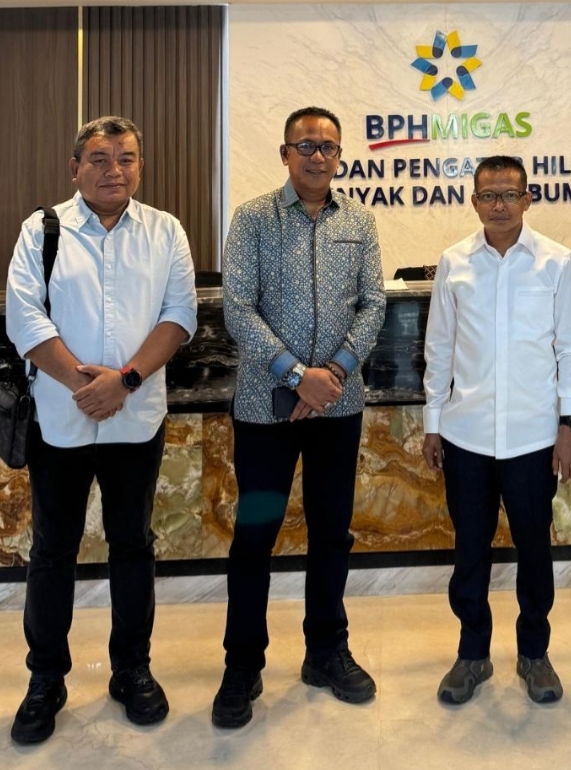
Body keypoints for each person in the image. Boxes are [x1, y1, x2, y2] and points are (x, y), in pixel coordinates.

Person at [4, 116, 198, 744]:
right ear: (74, 168)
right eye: (99, 158)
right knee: (52, 552)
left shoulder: (165, 231)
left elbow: (179, 316)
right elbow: (24, 318)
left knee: (133, 546)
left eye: (127, 158)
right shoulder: (41, 230)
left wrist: (125, 382)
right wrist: (82, 385)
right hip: (60, 420)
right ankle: (45, 679)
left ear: (140, 165)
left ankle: (132, 670)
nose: (115, 170)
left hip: (136, 420)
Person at [214, 106, 386, 728]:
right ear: (285, 153)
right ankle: (243, 663)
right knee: (256, 534)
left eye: (328, 147)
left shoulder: (359, 221)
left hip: (338, 408)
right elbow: (238, 307)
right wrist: (296, 376)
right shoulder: (253, 218)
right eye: (306, 145)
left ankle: (326, 651)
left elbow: (374, 302)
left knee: (331, 531)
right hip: (266, 412)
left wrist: (331, 375)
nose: (317, 156)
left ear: (340, 156)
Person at [422, 155, 571, 704]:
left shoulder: (557, 262)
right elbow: (439, 348)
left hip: (533, 437)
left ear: (527, 199)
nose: (499, 205)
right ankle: (472, 654)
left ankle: (534, 654)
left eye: (509, 194)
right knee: (470, 550)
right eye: (488, 195)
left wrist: (569, 423)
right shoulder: (454, 262)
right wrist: (432, 424)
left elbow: (570, 348)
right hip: (465, 435)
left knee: (534, 550)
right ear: (473, 201)